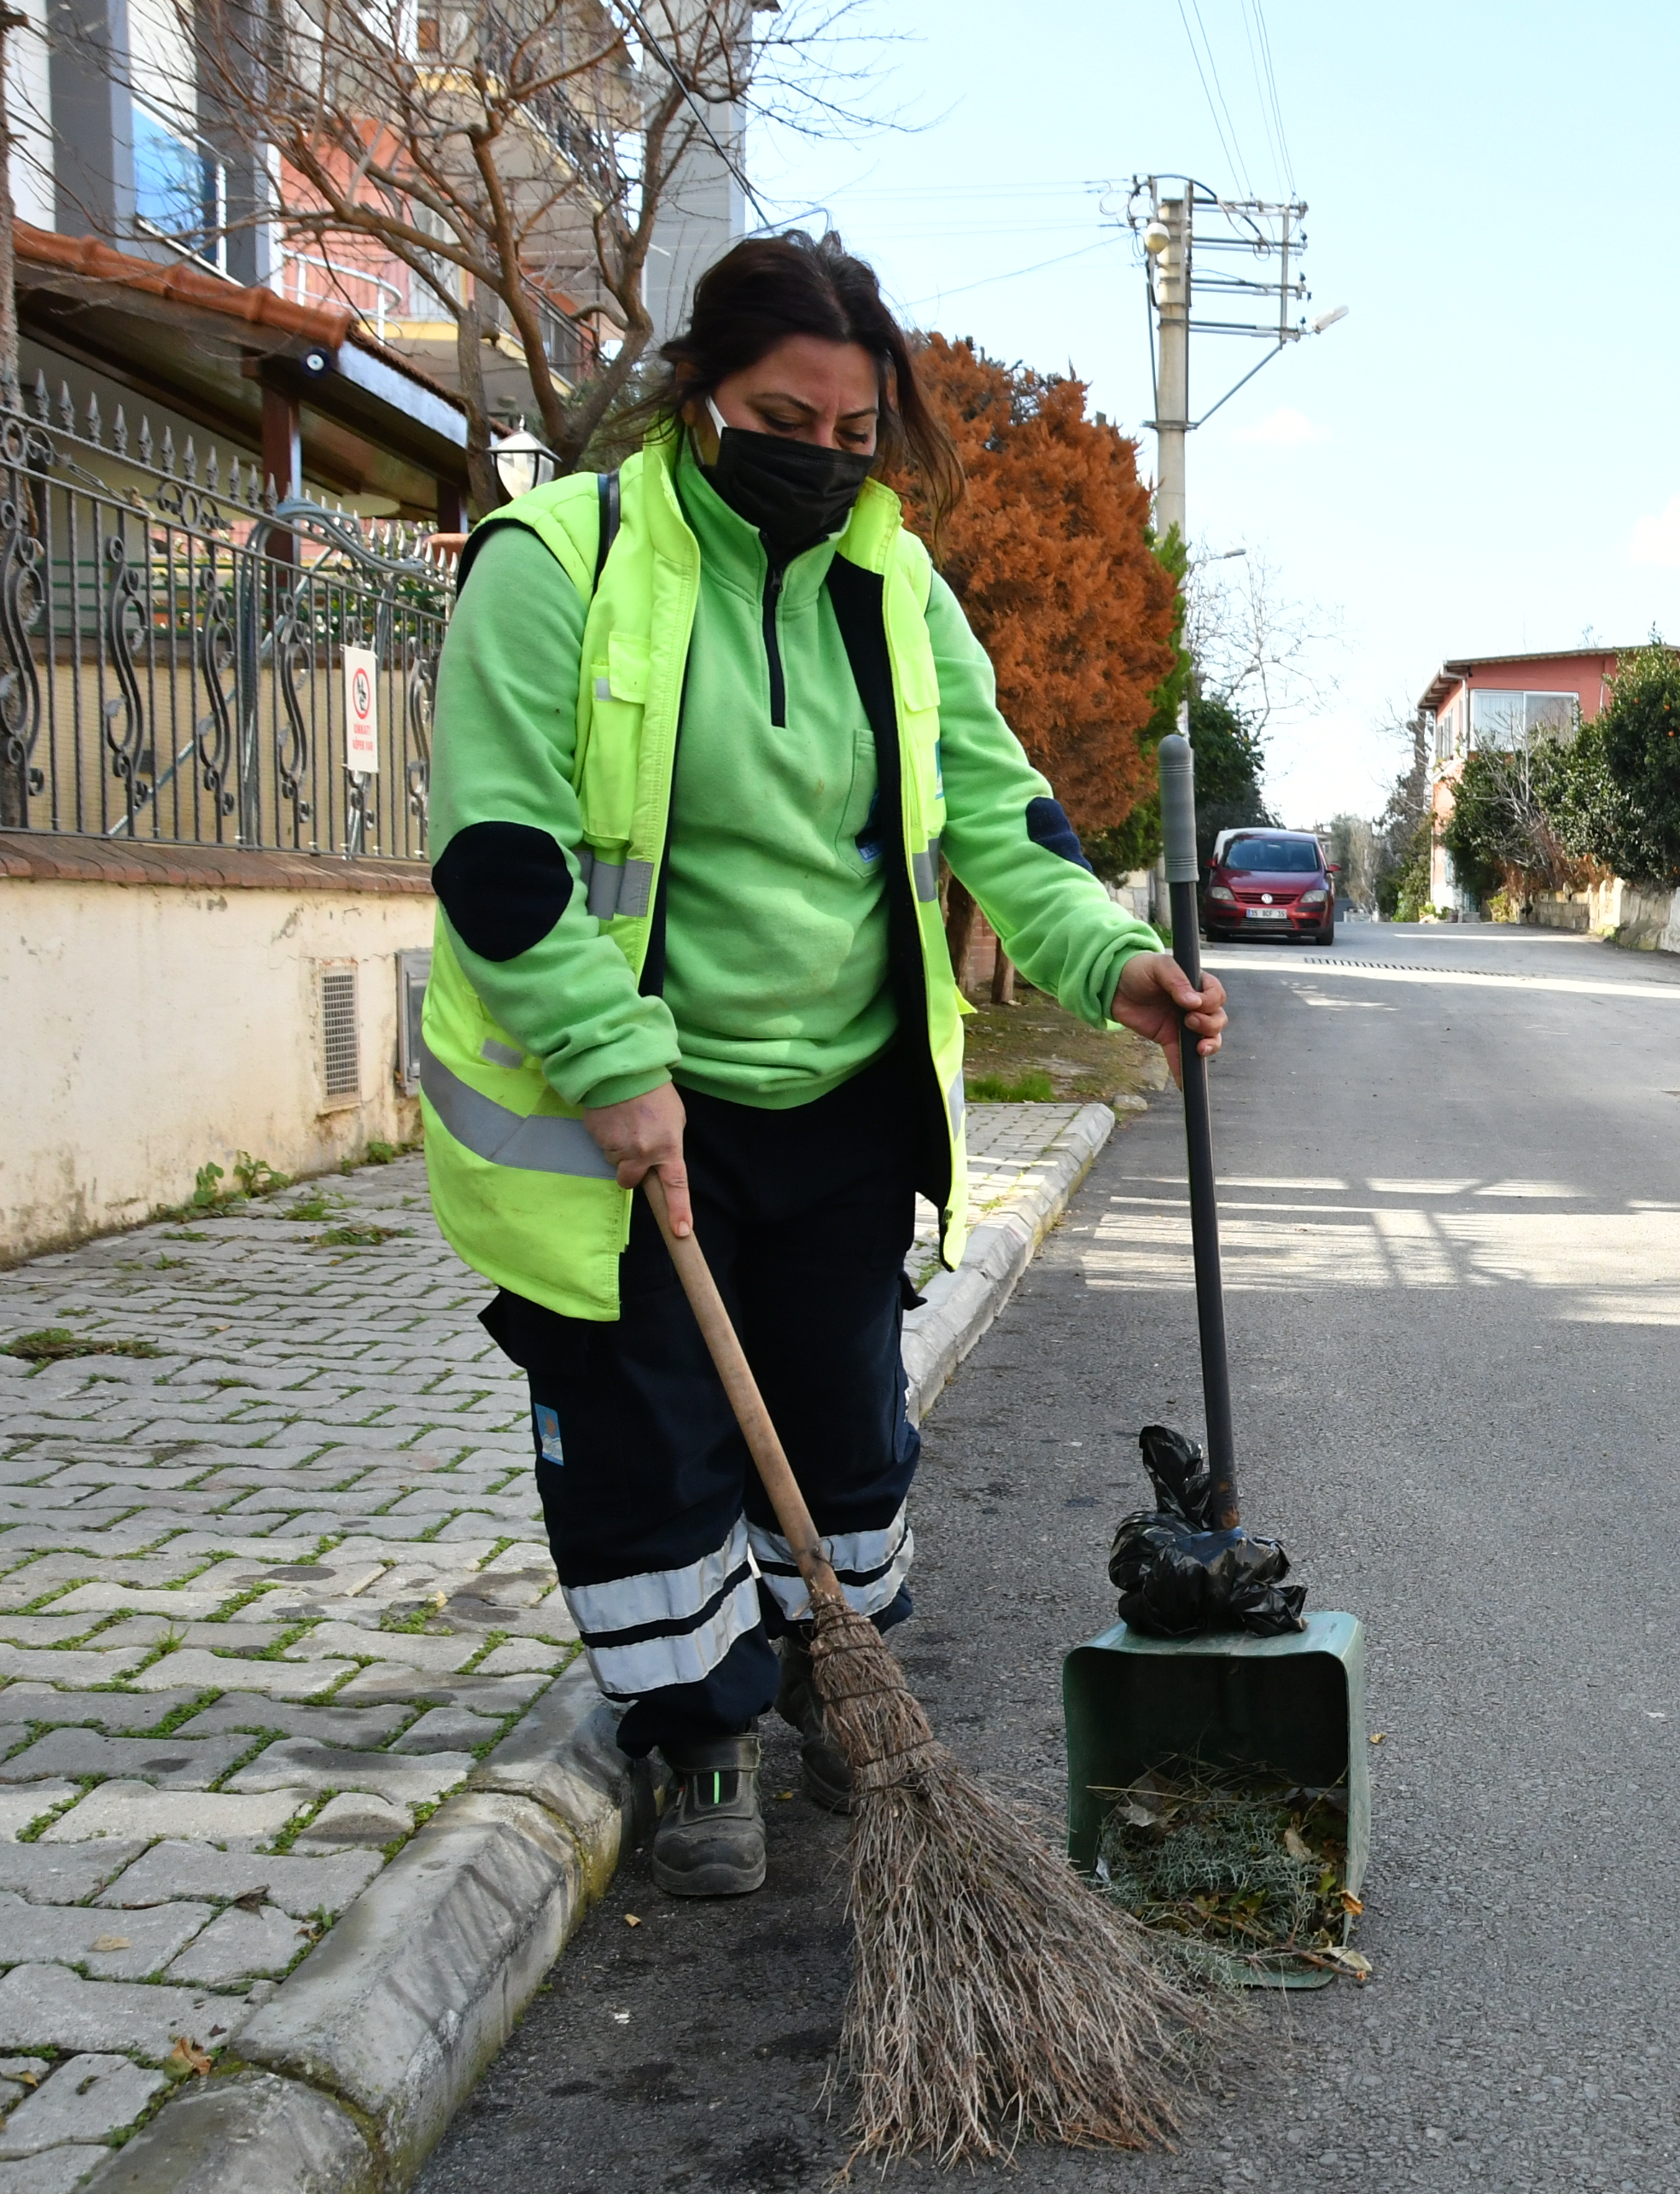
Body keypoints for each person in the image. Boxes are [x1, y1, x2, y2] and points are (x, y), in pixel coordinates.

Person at [418, 233, 1224, 1897]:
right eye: (788, 417)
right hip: (635, 1096)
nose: (823, 459)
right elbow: (502, 855)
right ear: (698, 395)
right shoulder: (558, 562)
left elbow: (1005, 824)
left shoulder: (893, 589)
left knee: (845, 1440)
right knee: (655, 1446)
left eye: (857, 437)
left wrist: (1109, 964)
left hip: (848, 1100)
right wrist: (606, 1057)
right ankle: (693, 1741)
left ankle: (816, 1674)